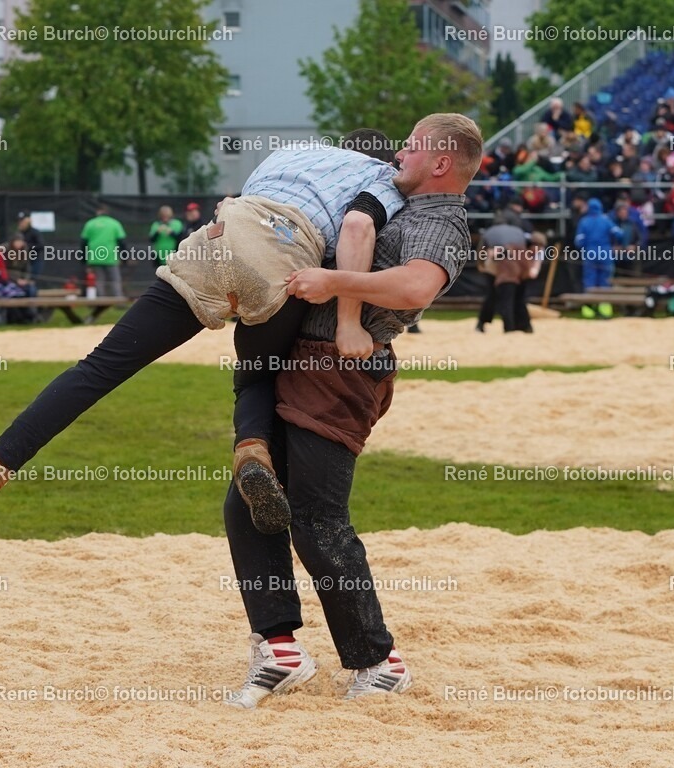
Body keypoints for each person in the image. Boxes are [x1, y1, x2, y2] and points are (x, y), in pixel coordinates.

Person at [0, 124, 415, 532]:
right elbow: (357, 231)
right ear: (377, 155)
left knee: (99, 367)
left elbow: (243, 201)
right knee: (258, 374)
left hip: (218, 238)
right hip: (284, 259)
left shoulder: (292, 151)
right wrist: (349, 319)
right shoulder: (378, 177)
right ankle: (252, 452)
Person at [222, 113, 483, 708]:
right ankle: (281, 649)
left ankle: (377, 661)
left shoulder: (440, 219)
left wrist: (330, 281)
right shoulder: (392, 198)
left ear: (441, 162)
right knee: (247, 506)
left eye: (412, 146)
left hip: (341, 372)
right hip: (303, 357)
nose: (400, 151)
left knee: (317, 518)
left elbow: (415, 288)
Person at [575, 198, 623, 318]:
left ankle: (589, 310)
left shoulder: (584, 221)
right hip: (605, 253)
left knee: (589, 281)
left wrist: (585, 248)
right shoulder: (606, 220)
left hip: (590, 253)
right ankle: (605, 310)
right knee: (605, 281)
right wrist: (615, 244)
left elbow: (578, 241)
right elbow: (619, 233)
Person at [79, 203, 127, 298]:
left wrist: (84, 258)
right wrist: (124, 257)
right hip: (110, 256)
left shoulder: (90, 223)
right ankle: (118, 300)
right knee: (115, 280)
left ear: (97, 212)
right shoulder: (114, 223)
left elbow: (83, 242)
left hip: (94, 256)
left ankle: (100, 302)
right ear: (108, 213)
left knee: (99, 281)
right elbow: (122, 242)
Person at [16, 211, 46, 279]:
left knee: (31, 281)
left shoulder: (35, 232)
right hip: (22, 261)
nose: (21, 222)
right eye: (20, 220)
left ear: (28, 220)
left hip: (35, 260)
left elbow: (41, 246)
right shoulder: (18, 233)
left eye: (23, 220)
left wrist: (26, 246)